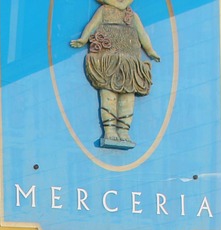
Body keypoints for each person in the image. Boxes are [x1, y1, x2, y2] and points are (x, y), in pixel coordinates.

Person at [69, 0, 161, 150]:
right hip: (109, 59)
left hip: (129, 61)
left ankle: (124, 131)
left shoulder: (132, 15)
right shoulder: (104, 11)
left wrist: (150, 51)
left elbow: (142, 34)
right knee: (108, 93)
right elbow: (92, 25)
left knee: (128, 95)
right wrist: (83, 39)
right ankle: (110, 130)